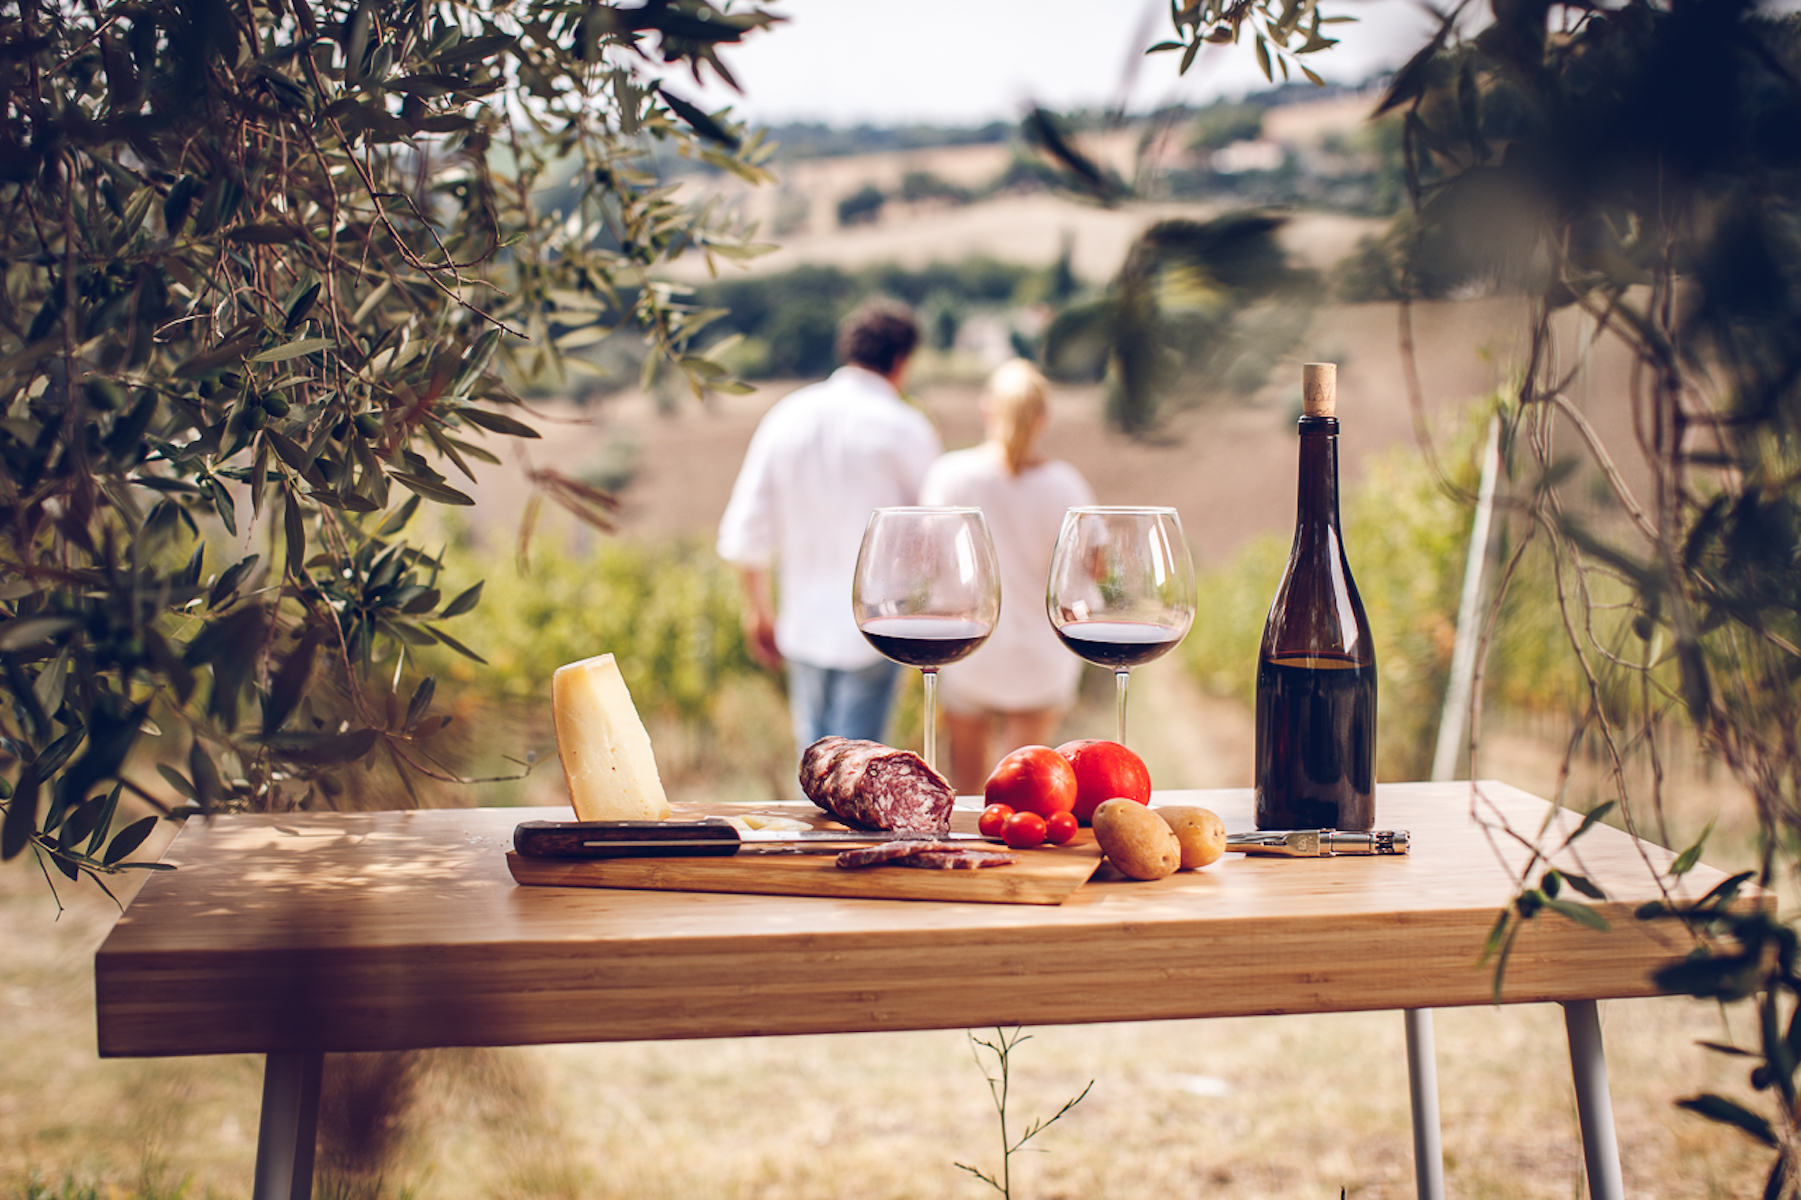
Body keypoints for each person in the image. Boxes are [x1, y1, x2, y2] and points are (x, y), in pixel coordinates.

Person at [717, 300, 941, 758]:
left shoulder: (788, 416)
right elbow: (936, 533)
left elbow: (748, 528)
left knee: (815, 760)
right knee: (859, 765)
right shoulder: (905, 428)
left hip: (801, 621)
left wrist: (758, 610)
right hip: (878, 624)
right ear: (902, 361)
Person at [919, 359, 1095, 794]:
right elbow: (1096, 567)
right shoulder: (1066, 484)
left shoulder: (951, 475)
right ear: (1043, 418)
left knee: (964, 788)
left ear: (987, 409)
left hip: (971, 648)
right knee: (1024, 790)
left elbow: (928, 559)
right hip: (1042, 654)